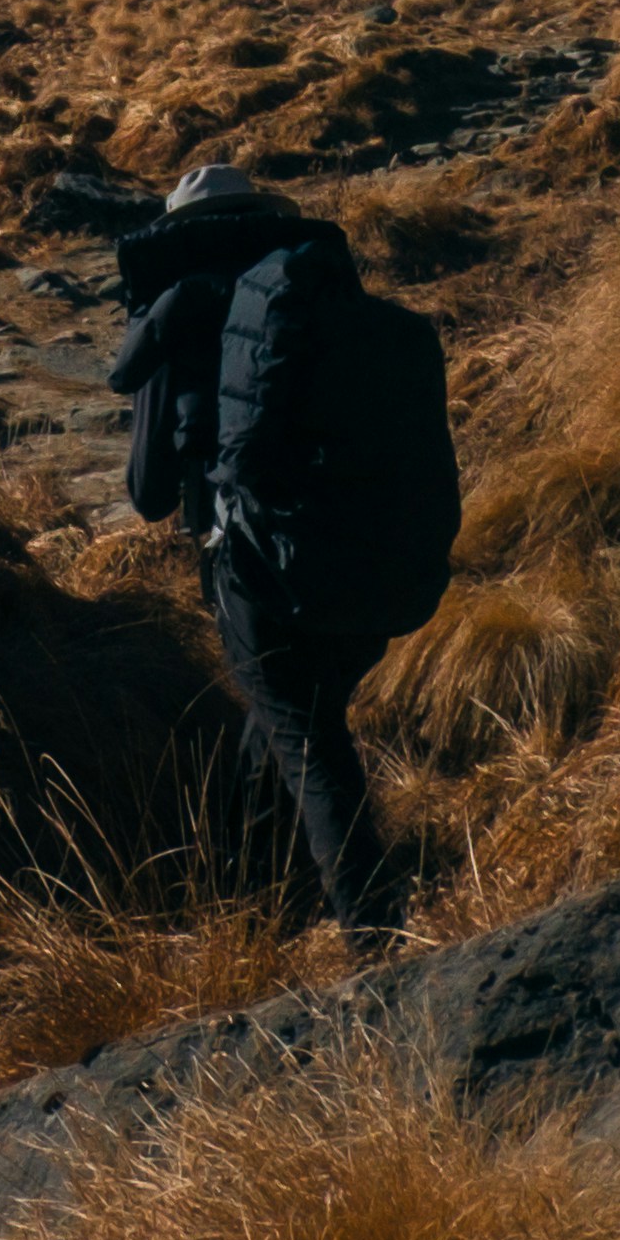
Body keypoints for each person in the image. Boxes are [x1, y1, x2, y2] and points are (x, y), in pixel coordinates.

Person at [110, 151, 407, 953]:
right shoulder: (310, 288)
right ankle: (258, 891)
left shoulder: (178, 309)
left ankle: (375, 936)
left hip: (246, 558)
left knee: (305, 740)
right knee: (287, 716)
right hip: (365, 544)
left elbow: (147, 494)